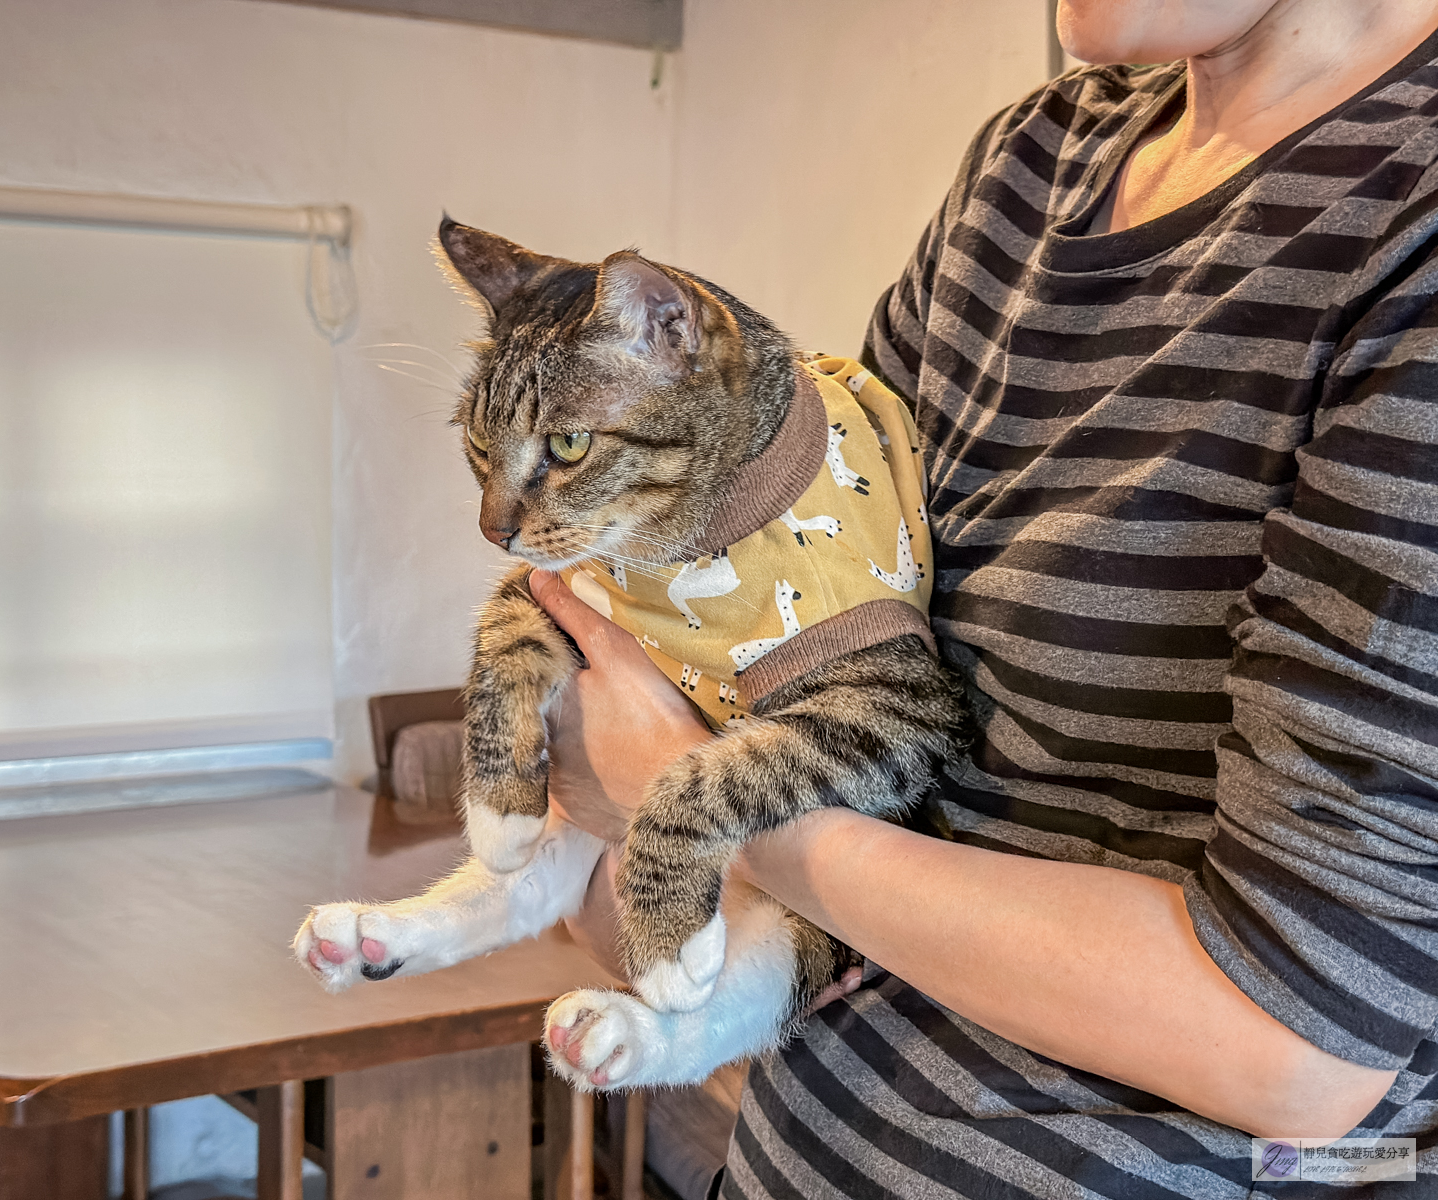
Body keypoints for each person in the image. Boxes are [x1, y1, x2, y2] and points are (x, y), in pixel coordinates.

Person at [528, 0, 1438, 1195]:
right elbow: (803, 647)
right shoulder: (1033, 162)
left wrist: (691, 803)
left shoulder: (1405, 230)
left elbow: (1291, 1045)